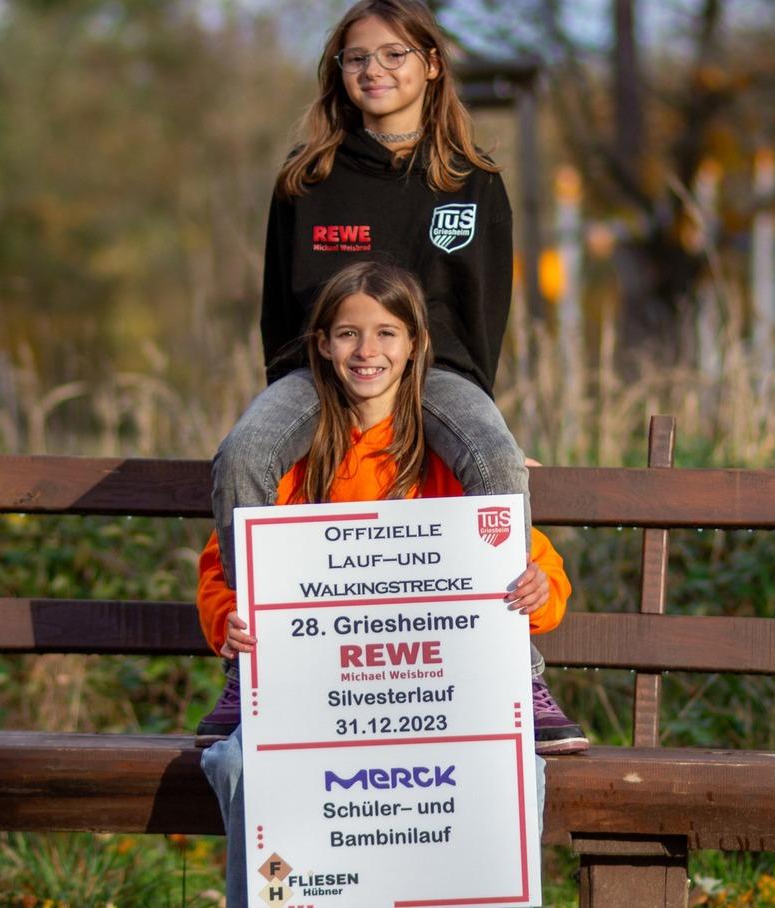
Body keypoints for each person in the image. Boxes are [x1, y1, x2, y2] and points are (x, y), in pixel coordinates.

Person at [203, 0, 585, 752]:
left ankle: (520, 670)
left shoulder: (471, 182)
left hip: (437, 372)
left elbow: (485, 313)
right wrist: (294, 396)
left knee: (496, 459)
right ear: (336, 72)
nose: (373, 70)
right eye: (356, 58)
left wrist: (485, 420)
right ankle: (251, 671)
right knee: (243, 453)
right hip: (318, 370)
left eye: (393, 55)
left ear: (431, 65)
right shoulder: (307, 178)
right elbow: (279, 304)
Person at [199, 261, 567, 904]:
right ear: (321, 345)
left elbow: (531, 560)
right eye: (347, 335)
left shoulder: (449, 454)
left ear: (416, 345)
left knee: (516, 773)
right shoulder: (291, 459)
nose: (366, 352)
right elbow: (223, 564)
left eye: (386, 334)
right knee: (237, 764)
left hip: (432, 698)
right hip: (315, 698)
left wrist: (540, 591)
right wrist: (230, 616)